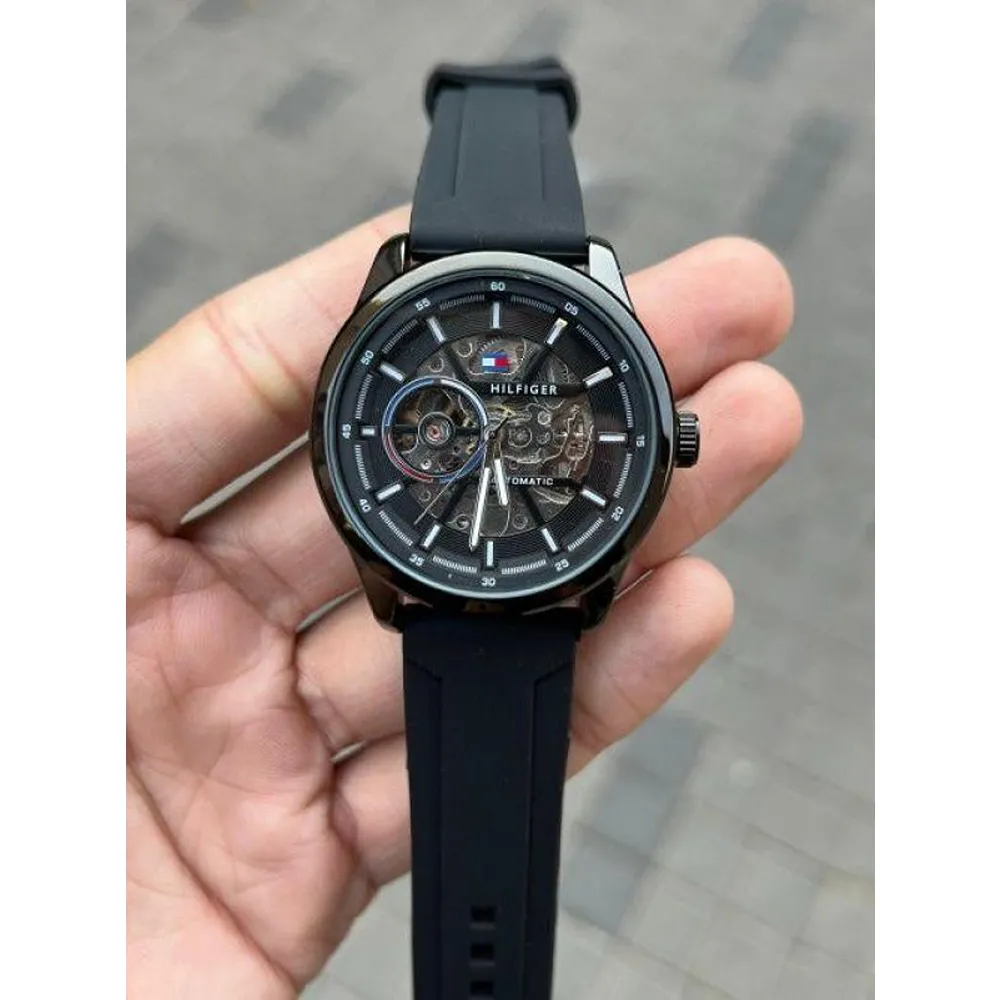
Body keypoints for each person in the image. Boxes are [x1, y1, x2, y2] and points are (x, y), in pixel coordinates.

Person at [126, 206, 803, 998]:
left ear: (668, 440)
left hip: (515, 579)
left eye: (524, 429)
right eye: (467, 423)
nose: (498, 436)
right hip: (469, 575)